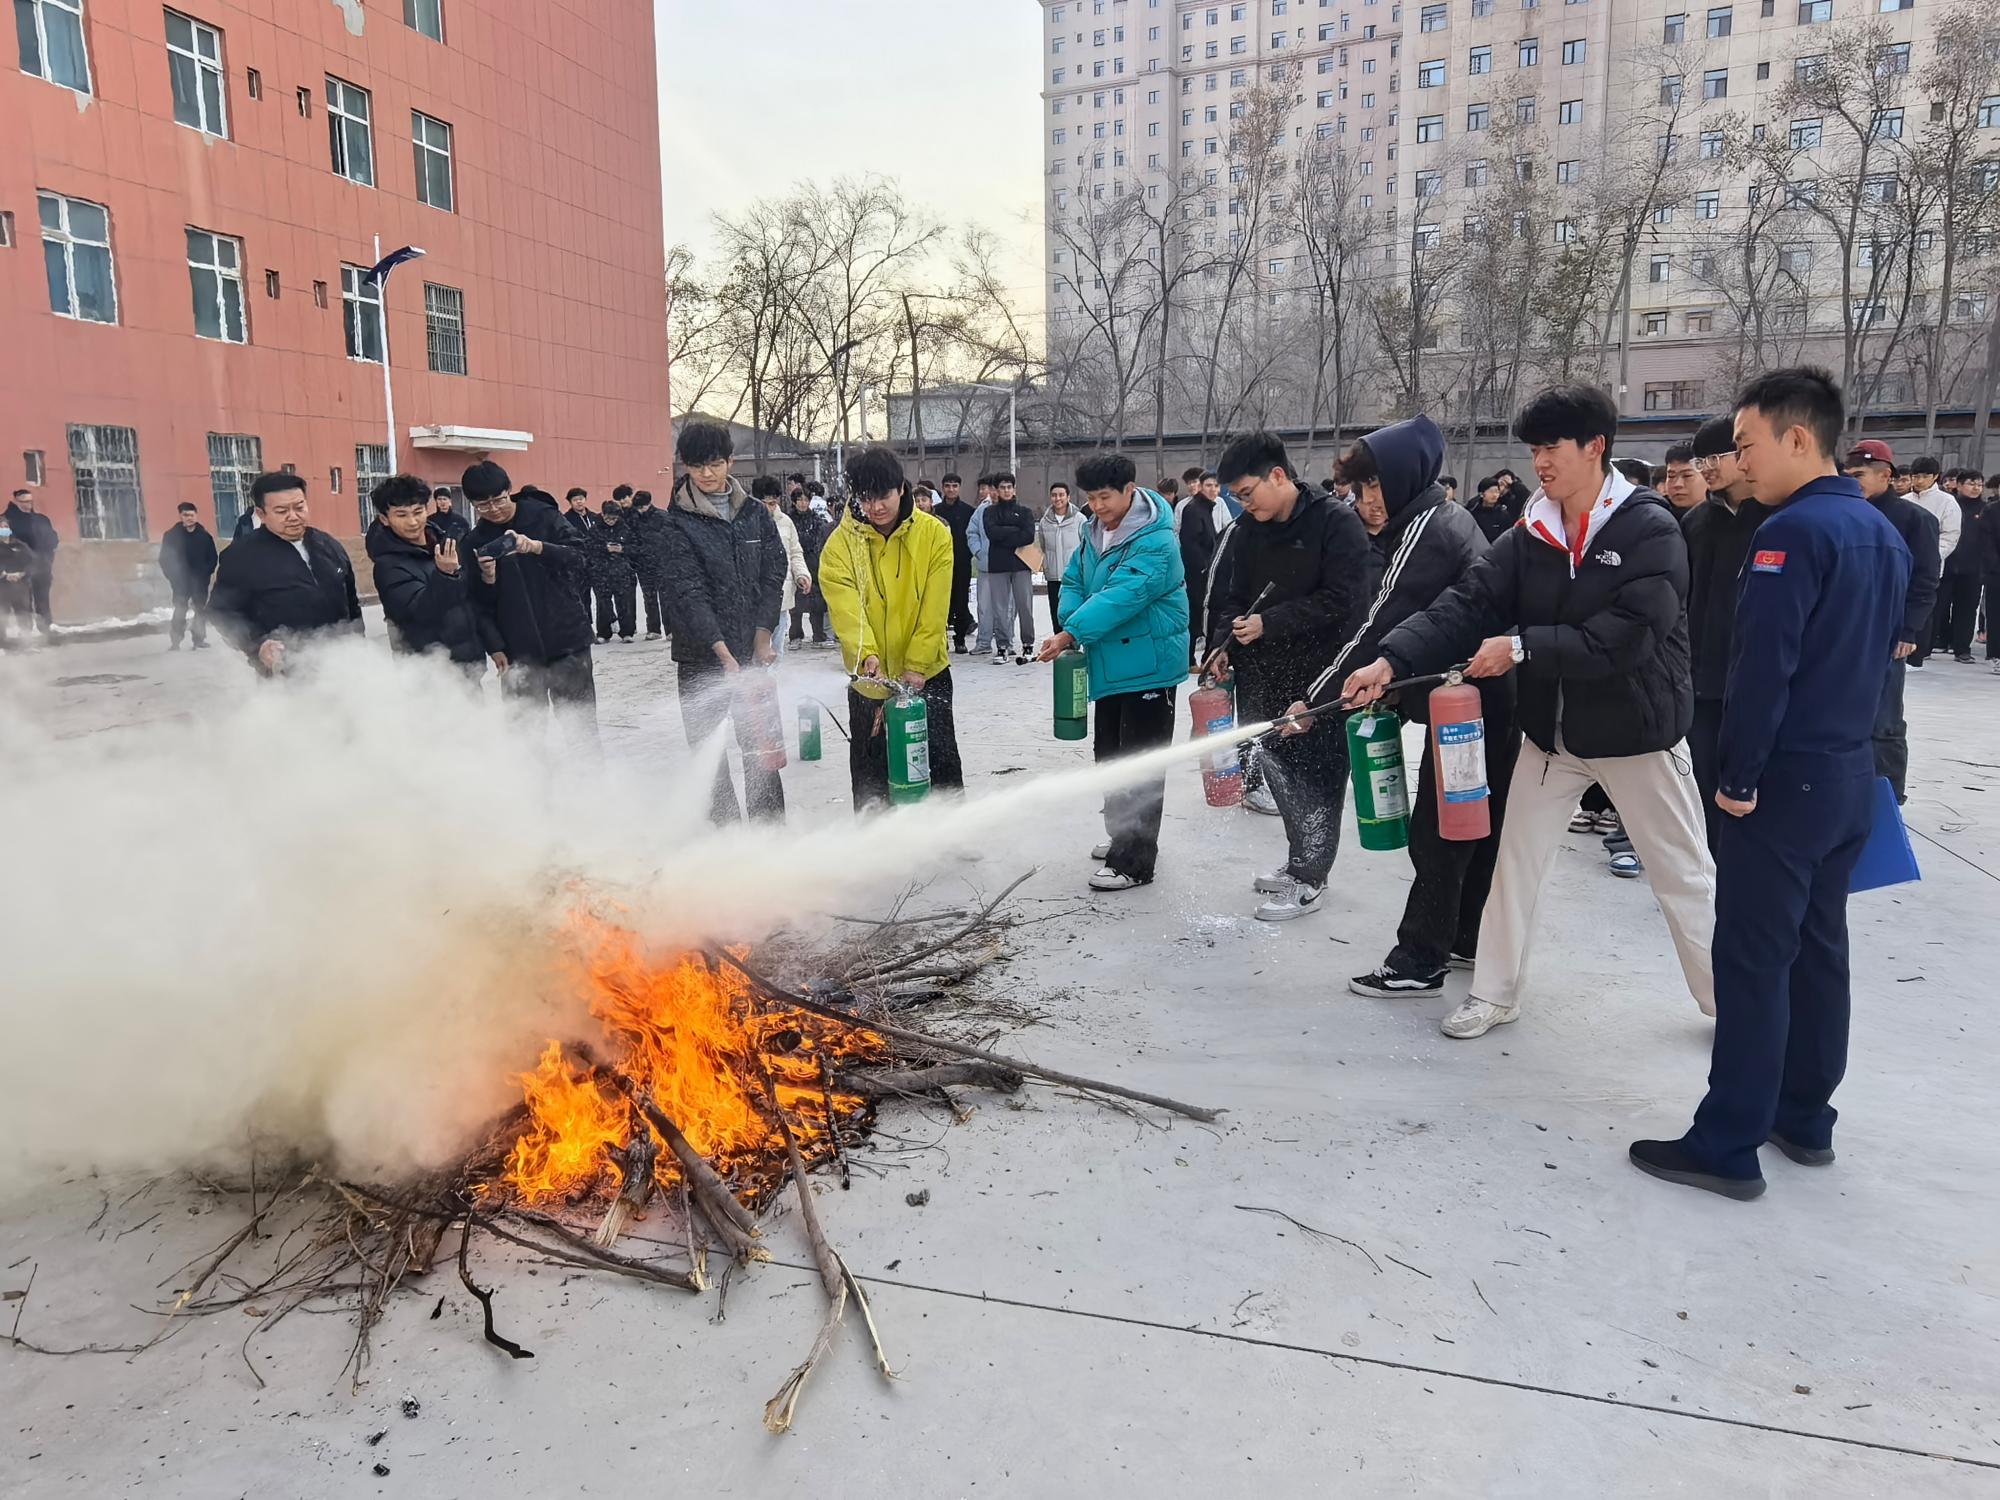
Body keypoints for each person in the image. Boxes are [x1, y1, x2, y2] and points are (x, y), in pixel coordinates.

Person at [1342, 386, 1716, 1039]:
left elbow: (1629, 635)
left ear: (1595, 446)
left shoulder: (1648, 528)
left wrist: (1520, 648)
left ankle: (1731, 1001)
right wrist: (1391, 661)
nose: (1539, 461)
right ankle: (1495, 993)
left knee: (1682, 876)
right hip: (1551, 737)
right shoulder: (1533, 530)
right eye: (1534, 448)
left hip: (1637, 733)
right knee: (1515, 867)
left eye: (1552, 447)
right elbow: (1468, 602)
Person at [1631, 368, 1909, 1201]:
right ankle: (1804, 1116)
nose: (1740, 461)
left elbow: (1764, 671)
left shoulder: (1790, 534)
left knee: (1753, 959)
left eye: (1748, 445)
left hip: (1785, 779)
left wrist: (1739, 776)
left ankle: (1727, 1142)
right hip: (1849, 773)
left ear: (1797, 437)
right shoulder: (1879, 531)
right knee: (1820, 949)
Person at [1280, 417, 1518, 993]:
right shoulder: (1436, 519)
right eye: (1359, 488)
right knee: (1472, 823)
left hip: (1470, 704)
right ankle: (1464, 938)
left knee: (1440, 830)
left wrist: (1314, 700)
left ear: (1406, 477)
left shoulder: (1429, 530)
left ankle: (1420, 959)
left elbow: (1381, 621)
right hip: (1479, 696)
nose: (1366, 500)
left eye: (1374, 485)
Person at [1209, 431, 1372, 921]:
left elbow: (1345, 601)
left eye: (1247, 494)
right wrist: (1224, 643)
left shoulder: (1335, 522)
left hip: (1317, 674)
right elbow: (1234, 596)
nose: (1244, 505)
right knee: (1278, 767)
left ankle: (1311, 876)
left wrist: (1270, 622)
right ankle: (1300, 858)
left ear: (1278, 475)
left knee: (1318, 775)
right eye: (1237, 498)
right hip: (1262, 671)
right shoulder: (1247, 530)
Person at [1036, 452, 1189, 891]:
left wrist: (1072, 632)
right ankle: (1123, 836)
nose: (1097, 506)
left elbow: (1124, 595)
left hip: (1149, 666)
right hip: (1110, 664)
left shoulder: (1156, 539)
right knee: (1110, 758)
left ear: (1129, 490)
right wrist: (1070, 620)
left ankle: (1135, 863)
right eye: (1091, 497)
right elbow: (1074, 580)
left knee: (1140, 765)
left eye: (1105, 496)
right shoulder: (1092, 530)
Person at [818, 446, 965, 811]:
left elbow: (935, 607)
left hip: (928, 672)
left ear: (901, 487)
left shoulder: (934, 535)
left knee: (939, 758)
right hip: (871, 679)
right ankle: (876, 830)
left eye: (883, 496)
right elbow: (847, 611)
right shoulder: (840, 546)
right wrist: (866, 654)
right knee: (871, 768)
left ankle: (951, 830)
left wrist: (917, 663)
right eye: (866, 498)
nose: (876, 507)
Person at [660, 421, 788, 824]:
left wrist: (763, 636)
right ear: (685, 467)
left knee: (761, 748)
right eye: (698, 466)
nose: (707, 474)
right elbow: (688, 592)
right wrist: (720, 651)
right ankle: (726, 834)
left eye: (715, 464)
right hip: (701, 656)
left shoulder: (754, 513)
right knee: (709, 751)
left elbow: (774, 572)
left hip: (750, 651)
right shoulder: (676, 522)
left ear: (731, 462)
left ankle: (770, 830)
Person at [460, 461, 597, 737]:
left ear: (509, 490)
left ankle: (588, 767)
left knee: (581, 730)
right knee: (526, 735)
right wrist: (494, 645)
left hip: (567, 641)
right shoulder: (474, 542)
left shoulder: (543, 517)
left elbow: (581, 557)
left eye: (499, 500)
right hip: (517, 653)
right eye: (482, 505)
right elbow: (475, 603)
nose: (493, 509)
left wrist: (537, 547)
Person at [1682, 416, 1768, 849]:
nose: (1707, 468)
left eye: (1716, 456)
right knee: (1702, 788)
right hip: (1702, 681)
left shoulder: (1777, 519)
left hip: (1757, 681)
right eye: (1701, 460)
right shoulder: (1696, 522)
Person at [1845, 441, 1938, 803]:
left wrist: (1909, 629)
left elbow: (1925, 580)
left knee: (1884, 722)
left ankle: (1888, 799)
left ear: (1886, 475)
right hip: (1845, 632)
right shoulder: (1843, 515)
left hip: (1888, 635)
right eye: (1848, 475)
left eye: (1860, 475)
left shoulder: (1914, 520)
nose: (1852, 482)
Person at [208, 472, 364, 672]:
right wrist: (257, 645)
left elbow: (352, 604)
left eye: (299, 507)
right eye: (282, 511)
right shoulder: (242, 556)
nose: (293, 517)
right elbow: (221, 611)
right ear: (261, 514)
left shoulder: (328, 545)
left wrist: (358, 645)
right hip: (285, 668)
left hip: (341, 663)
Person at [366, 474, 488, 678]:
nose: (413, 522)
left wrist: (486, 575)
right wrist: (445, 574)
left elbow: (469, 599)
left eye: (418, 511)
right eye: (401, 515)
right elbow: (420, 613)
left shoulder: (443, 543)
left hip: (468, 665)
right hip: (430, 672)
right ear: (385, 519)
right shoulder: (388, 565)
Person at [1176, 471, 1232, 669]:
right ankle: (1190, 659)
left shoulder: (1209, 507)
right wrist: (1203, 569)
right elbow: (1189, 543)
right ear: (1200, 486)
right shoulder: (1193, 509)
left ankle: (1205, 657)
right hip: (1198, 575)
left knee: (1205, 615)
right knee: (1197, 616)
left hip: (1208, 571)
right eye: (1209, 485)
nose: (1213, 490)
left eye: (1216, 486)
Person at [753, 475, 813, 660]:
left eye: (772, 503)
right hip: (754, 597)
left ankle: (774, 677)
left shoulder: (786, 522)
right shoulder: (745, 523)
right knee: (756, 649)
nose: (768, 508)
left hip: (781, 595)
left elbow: (795, 552)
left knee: (777, 648)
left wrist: (801, 574)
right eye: (763, 503)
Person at [981, 472, 1037, 664]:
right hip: (998, 565)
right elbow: (992, 533)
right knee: (999, 608)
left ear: (1014, 489)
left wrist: (1005, 534)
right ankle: (1003, 646)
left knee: (1025, 606)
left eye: (1009, 487)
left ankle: (1028, 644)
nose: (1006, 491)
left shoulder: (1025, 512)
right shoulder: (989, 512)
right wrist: (1014, 531)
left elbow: (1028, 536)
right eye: (1002, 487)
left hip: (1021, 564)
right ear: (996, 490)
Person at [1934, 468, 1986, 664]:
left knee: (1967, 609)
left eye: (1979, 484)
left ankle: (1962, 648)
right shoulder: (1949, 505)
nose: (1976, 488)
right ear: (1959, 485)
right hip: (1948, 564)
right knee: (1940, 606)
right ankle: (1938, 640)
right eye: (1971, 483)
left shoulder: (1985, 509)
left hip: (1973, 568)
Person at [158, 501, 218, 650]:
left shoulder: (204, 536)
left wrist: (205, 573)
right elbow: (164, 559)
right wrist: (173, 577)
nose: (189, 518)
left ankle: (199, 639)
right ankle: (175, 641)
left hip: (200, 582)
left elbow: (212, 558)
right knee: (180, 610)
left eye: (192, 515)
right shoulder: (171, 536)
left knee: (200, 610)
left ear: (196, 516)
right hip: (180, 582)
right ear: (180, 516)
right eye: (186, 515)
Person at [3, 489, 57, 635]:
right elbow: (4, 542)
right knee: (23, 601)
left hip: (42, 566)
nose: (28, 505)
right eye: (24, 501)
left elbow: (53, 538)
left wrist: (47, 557)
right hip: (19, 568)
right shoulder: (5, 521)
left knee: (42, 598)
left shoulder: (41, 519)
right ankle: (24, 631)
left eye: (30, 501)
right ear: (16, 501)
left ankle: (45, 627)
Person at [933, 472, 976, 653]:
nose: (951, 489)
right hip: (938, 564)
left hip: (961, 562)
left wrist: (969, 553)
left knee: (961, 600)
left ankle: (960, 639)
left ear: (959, 488)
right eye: (948, 486)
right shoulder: (935, 511)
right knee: (940, 602)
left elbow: (972, 535)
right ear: (942, 488)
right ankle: (941, 639)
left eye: (954, 486)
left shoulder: (968, 511)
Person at [624, 487, 671, 641]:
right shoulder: (634, 517)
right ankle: (653, 629)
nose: (640, 510)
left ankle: (670, 630)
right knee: (649, 597)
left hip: (661, 562)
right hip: (643, 564)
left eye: (643, 507)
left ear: (649, 503)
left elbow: (669, 539)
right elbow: (631, 538)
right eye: (638, 507)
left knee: (665, 597)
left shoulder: (662, 516)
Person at [1037, 481, 1084, 629]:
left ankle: (1074, 641)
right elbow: (1043, 546)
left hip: (1073, 577)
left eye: (1061, 495)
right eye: (1054, 495)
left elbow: (1086, 546)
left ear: (1068, 497)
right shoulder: (1045, 522)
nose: (1058, 498)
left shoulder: (1079, 519)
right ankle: (1058, 641)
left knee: (1074, 613)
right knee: (1056, 613)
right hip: (1053, 577)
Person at [590, 499, 639, 643]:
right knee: (603, 603)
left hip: (622, 571)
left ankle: (627, 632)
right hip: (601, 571)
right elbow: (588, 547)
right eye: (608, 518)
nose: (611, 521)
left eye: (614, 518)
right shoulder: (595, 529)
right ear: (602, 514)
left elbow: (635, 548)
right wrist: (605, 549)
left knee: (624, 603)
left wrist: (622, 549)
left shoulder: (625, 528)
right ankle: (603, 633)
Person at [789, 487, 832, 645]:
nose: (803, 503)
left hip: (814, 563)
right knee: (796, 603)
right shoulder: (789, 520)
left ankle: (818, 635)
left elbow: (820, 538)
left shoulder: (816, 519)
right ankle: (795, 635)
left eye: (806, 500)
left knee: (817, 603)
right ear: (794, 502)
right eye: (799, 500)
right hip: (796, 562)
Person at [0, 515, 35, 647]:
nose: (3, 529)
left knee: (24, 613)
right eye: (0, 527)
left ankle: (26, 642)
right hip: (2, 587)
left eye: (5, 526)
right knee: (2, 615)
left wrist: (23, 573)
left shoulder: (20, 545)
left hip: (21, 586)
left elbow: (32, 562)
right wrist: (4, 575)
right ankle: (2, 644)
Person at [1468, 475, 1519, 544]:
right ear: (1481, 494)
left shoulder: (1503, 514)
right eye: (1491, 491)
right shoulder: (1472, 511)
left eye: (1497, 492)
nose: (1494, 495)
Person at [1659, 443, 1708, 513]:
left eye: (1687, 475)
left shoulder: (1721, 514)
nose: (1677, 484)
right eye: (1671, 476)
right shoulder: (1654, 514)